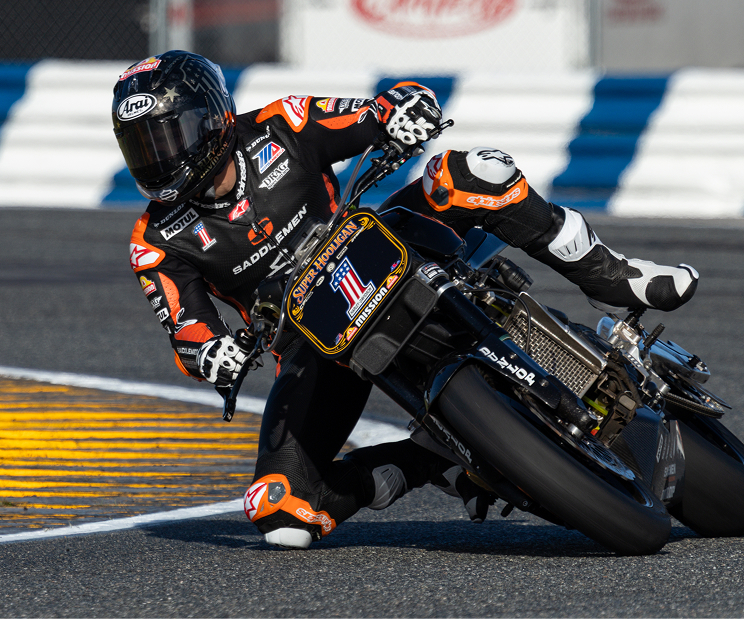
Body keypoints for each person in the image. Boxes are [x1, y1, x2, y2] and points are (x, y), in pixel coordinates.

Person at [114, 50, 698, 549]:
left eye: (171, 135)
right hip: (315, 342)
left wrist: (402, 113)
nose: (161, 157)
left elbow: (379, 108)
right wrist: (214, 354)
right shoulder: (155, 240)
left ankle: (612, 275)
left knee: (471, 172)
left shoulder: (279, 124)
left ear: (213, 117)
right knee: (281, 514)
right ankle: (427, 460)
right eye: (143, 145)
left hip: (382, 246)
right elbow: (187, 330)